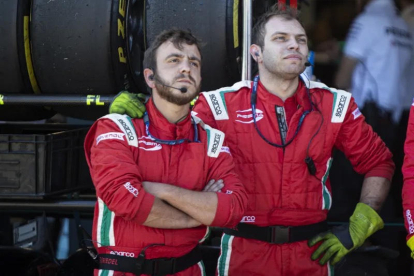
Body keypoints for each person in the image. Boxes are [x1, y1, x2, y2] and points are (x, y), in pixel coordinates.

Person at [110, 7, 394, 275]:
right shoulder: (219, 104)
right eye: (280, 39)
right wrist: (142, 111)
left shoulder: (335, 105)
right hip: (244, 250)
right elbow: (166, 132)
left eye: (300, 40)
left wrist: (363, 220)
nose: (293, 45)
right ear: (256, 52)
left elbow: (379, 162)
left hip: (313, 253)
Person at [84, 29, 247, 276]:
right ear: (150, 77)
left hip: (189, 269)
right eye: (174, 60)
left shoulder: (212, 138)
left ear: (200, 79)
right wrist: (196, 215)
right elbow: (125, 198)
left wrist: (160, 190)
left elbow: (232, 209)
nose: (186, 68)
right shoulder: (116, 126)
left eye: (194, 62)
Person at [335, 0, 412, 148]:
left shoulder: (367, 20)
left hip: (363, 118)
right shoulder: (402, 25)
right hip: (393, 121)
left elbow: (342, 79)